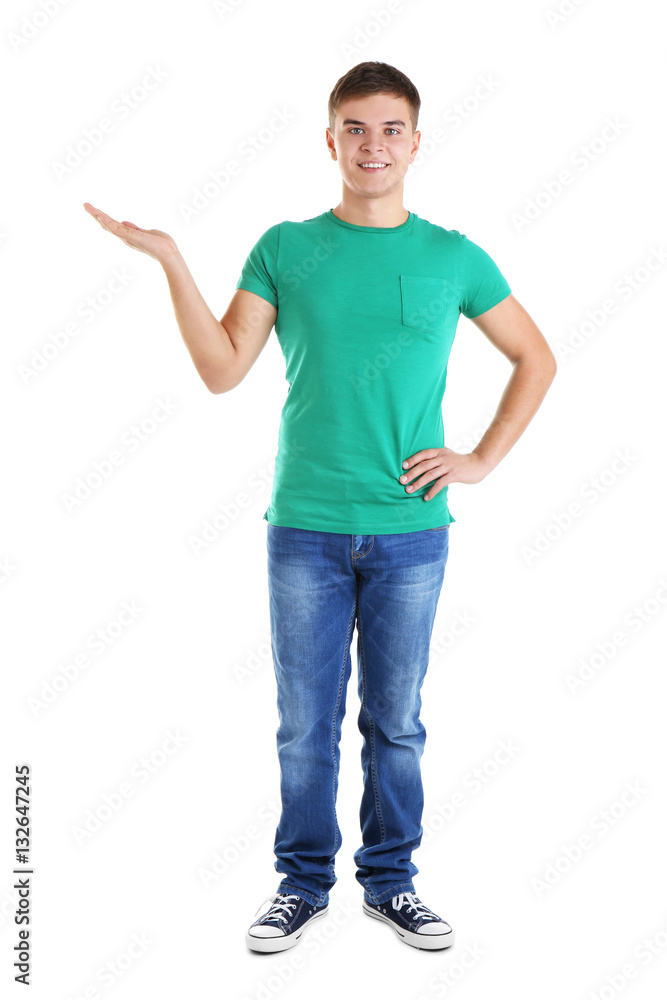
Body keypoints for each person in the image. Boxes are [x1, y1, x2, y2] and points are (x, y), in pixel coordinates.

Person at [83, 60, 557, 954]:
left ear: (415, 142)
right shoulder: (285, 247)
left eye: (389, 130)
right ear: (329, 139)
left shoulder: (453, 255)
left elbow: (536, 358)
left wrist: (481, 459)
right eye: (354, 128)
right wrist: (172, 261)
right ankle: (300, 885)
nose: (371, 145)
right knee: (305, 724)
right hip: (302, 528)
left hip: (412, 533)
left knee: (396, 722)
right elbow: (223, 369)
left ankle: (391, 884)